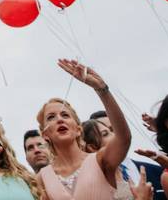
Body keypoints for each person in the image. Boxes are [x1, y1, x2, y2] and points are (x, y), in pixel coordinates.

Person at [36, 59, 131, 200]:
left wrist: (101, 89)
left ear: (78, 129)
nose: (59, 119)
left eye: (65, 115)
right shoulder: (42, 177)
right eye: (51, 117)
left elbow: (123, 138)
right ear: (45, 135)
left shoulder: (100, 159)